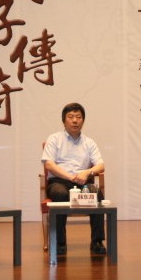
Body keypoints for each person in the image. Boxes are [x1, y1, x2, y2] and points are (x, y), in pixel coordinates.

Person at [41, 102, 106, 256]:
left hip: (83, 182)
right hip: (59, 181)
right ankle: (59, 242)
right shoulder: (54, 139)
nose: (75, 120)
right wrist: (70, 176)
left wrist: (87, 172)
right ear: (64, 121)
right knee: (60, 194)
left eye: (78, 117)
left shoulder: (89, 142)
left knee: (96, 194)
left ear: (83, 120)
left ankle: (97, 241)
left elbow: (101, 165)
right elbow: (49, 164)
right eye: (70, 117)